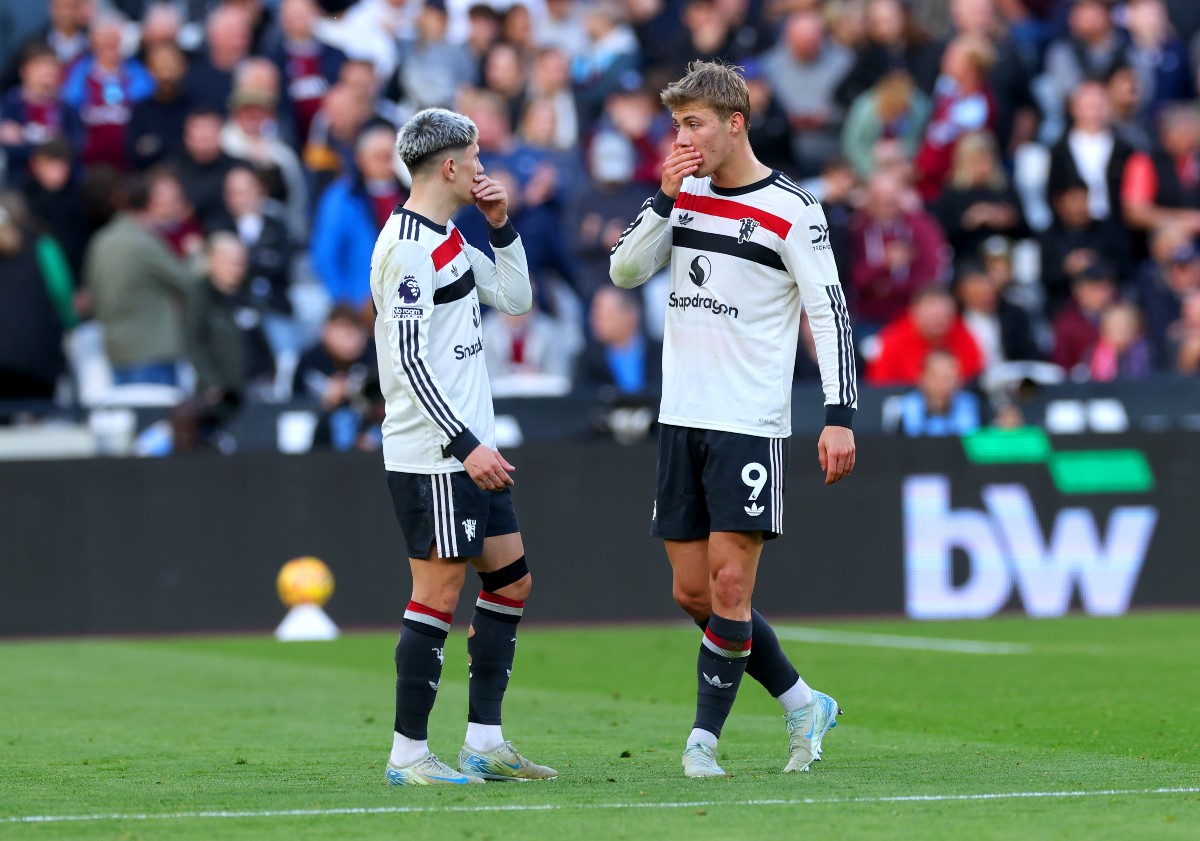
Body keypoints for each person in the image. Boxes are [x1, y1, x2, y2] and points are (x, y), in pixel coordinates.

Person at [608, 61, 857, 779]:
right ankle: (803, 700)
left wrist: (838, 414)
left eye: (694, 124)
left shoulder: (792, 208)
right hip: (680, 417)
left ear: (734, 123)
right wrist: (662, 196)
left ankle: (702, 742)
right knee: (691, 591)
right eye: (676, 124)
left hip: (748, 418)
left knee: (728, 588)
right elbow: (625, 272)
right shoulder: (680, 196)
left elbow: (829, 314)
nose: (681, 138)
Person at [371, 107, 555, 785]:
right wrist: (465, 441)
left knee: (511, 579)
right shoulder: (409, 249)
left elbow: (516, 296)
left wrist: (502, 225)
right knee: (439, 591)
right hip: (437, 454)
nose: (484, 167)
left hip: (472, 449)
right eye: (476, 157)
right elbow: (409, 361)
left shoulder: (445, 234)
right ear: (449, 166)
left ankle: (484, 740)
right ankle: (408, 753)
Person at [85, 172, 197, 386]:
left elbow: (92, 293)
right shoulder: (144, 243)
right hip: (151, 353)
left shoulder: (101, 240)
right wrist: (195, 254)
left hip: (115, 351)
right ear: (148, 205)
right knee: (156, 418)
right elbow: (186, 280)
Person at [896, 349, 981, 437]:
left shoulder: (973, 406)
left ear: (960, 379)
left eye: (949, 377)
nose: (942, 383)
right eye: (935, 376)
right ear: (921, 378)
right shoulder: (907, 408)